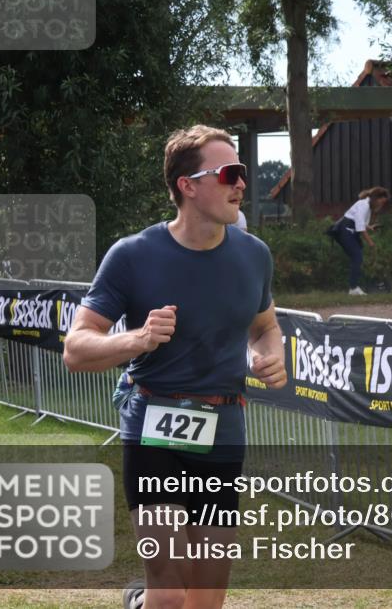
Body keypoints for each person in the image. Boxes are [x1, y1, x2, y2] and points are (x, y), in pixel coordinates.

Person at [63, 125, 288, 609]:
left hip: (223, 427)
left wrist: (268, 354)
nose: (241, 184)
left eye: (242, 173)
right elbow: (76, 348)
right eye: (229, 173)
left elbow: (264, 326)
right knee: (170, 594)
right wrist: (138, 338)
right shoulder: (133, 255)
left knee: (205, 599)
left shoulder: (254, 256)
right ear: (187, 185)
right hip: (154, 424)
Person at [330, 186, 390, 295]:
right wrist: (370, 242)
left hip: (351, 231)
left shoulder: (367, 207)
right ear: (376, 198)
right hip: (345, 230)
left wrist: (370, 227)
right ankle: (353, 288)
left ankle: (355, 286)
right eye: (381, 202)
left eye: (384, 203)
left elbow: (361, 222)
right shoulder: (364, 205)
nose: (381, 205)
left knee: (358, 256)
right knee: (357, 256)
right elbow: (359, 226)